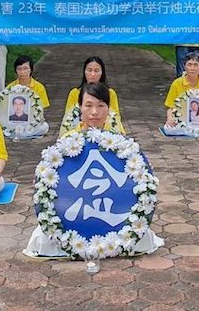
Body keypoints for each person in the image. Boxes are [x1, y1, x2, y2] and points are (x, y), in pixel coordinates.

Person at [23, 82, 165, 257]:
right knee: (44, 241)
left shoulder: (121, 144)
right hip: (73, 220)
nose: (94, 112)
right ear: (79, 108)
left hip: (115, 220)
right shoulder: (68, 143)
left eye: (100, 105)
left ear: (108, 108)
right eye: (88, 105)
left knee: (141, 240)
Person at [62, 57, 124, 135]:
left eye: (96, 71)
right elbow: (69, 115)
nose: (93, 74)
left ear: (102, 73)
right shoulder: (74, 93)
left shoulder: (110, 93)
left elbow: (115, 115)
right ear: (84, 72)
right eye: (89, 70)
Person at [163, 51, 199, 134]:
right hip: (181, 119)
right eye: (189, 64)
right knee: (169, 129)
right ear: (184, 66)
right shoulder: (177, 83)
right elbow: (170, 106)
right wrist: (170, 118)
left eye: (195, 65)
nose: (192, 68)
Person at [2, 55, 51, 136]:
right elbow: (5, 108)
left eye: (25, 69)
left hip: (32, 121)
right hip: (14, 123)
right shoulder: (10, 87)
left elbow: (43, 109)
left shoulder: (39, 87)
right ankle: (23, 133)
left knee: (45, 127)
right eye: (19, 69)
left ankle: (22, 133)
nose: (22, 72)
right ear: (15, 70)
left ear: (31, 69)